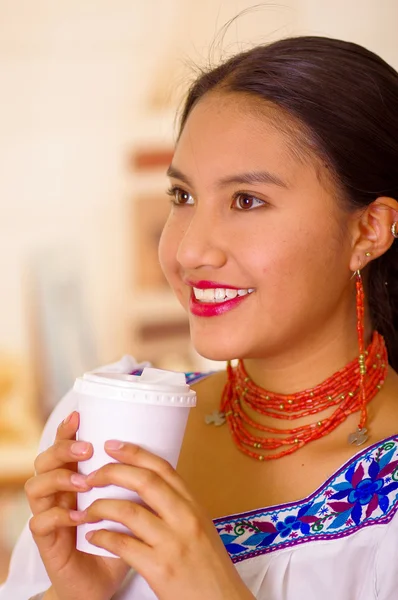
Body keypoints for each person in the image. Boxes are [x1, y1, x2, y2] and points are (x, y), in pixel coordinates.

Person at [1, 34, 398, 600]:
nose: (189, 251)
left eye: (246, 201)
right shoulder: (106, 425)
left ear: (369, 230)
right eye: (182, 196)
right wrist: (74, 595)